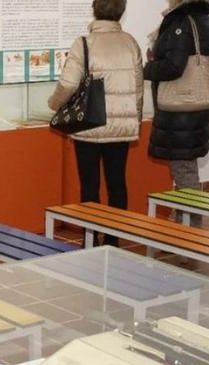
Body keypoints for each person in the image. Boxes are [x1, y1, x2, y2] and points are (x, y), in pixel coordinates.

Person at [48, 0, 143, 246]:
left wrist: (53, 104)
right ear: (121, 12)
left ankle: (91, 241)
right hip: (120, 126)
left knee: (89, 186)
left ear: (94, 9)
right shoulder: (130, 43)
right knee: (117, 183)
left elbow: (68, 84)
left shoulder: (83, 44)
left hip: (89, 125)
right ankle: (113, 242)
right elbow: (138, 89)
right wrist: (135, 122)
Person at [145, 0, 209, 222]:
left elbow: (174, 66)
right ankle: (182, 220)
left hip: (181, 110)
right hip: (194, 106)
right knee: (186, 166)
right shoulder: (202, 19)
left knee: (183, 170)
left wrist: (147, 68)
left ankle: (189, 228)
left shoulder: (183, 22)